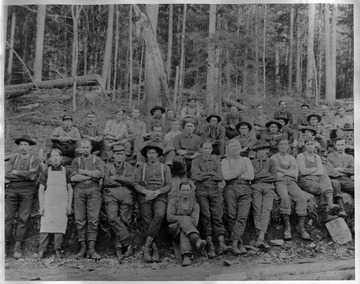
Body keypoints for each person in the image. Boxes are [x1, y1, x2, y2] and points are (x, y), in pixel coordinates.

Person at [191, 140, 231, 257]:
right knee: (206, 216)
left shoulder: (215, 160)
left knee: (217, 215)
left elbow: (219, 177)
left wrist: (206, 174)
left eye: (209, 148)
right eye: (206, 148)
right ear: (201, 149)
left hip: (214, 190)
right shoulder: (196, 161)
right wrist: (210, 173)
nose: (208, 150)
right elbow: (196, 176)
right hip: (201, 190)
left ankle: (221, 243)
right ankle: (210, 246)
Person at [133, 143, 172, 263]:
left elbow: (169, 185)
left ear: (158, 155)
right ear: (146, 155)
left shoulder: (165, 167)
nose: (151, 155)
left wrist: (158, 192)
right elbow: (136, 184)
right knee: (147, 221)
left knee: (160, 215)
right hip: (145, 196)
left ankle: (147, 245)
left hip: (159, 195)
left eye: (153, 153)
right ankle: (153, 250)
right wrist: (145, 191)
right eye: (149, 153)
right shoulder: (142, 168)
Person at [5, 135, 41, 259]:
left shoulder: (34, 159)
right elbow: (8, 175)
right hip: (12, 189)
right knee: (7, 218)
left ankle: (18, 246)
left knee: (23, 218)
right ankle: (4, 246)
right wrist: (24, 175)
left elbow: (33, 176)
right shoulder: (13, 159)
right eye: (21, 145)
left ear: (30, 147)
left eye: (26, 145)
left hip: (27, 190)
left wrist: (17, 172)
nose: (23, 147)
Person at [70, 139, 105, 259]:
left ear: (91, 148)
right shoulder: (76, 161)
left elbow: (100, 174)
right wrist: (90, 175)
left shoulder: (97, 160)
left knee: (93, 219)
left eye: (87, 147)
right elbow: (73, 178)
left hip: (94, 190)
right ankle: (83, 248)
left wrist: (83, 172)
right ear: (79, 149)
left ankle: (92, 249)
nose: (85, 149)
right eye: (82, 147)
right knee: (80, 219)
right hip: (79, 190)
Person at [270, 139, 310, 240]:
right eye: (281, 144)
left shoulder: (291, 158)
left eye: (285, 144)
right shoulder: (273, 158)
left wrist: (282, 171)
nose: (283, 146)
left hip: (291, 182)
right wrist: (287, 172)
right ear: (278, 146)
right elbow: (275, 175)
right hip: (280, 182)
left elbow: (295, 174)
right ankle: (287, 227)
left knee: (301, 198)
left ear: (288, 146)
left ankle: (301, 227)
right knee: (285, 198)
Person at [38, 149, 73, 259]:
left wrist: (69, 205)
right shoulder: (46, 171)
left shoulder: (66, 171)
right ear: (50, 159)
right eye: (53, 156)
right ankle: (42, 250)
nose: (55, 158)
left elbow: (70, 189)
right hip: (49, 201)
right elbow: (41, 189)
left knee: (60, 224)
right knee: (45, 224)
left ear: (61, 158)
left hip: (62, 202)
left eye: (57, 156)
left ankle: (58, 249)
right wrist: (41, 206)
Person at [221, 139, 254, 255]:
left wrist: (234, 173)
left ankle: (234, 243)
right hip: (230, 188)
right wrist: (240, 172)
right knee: (231, 215)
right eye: (231, 147)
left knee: (242, 216)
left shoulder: (246, 160)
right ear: (228, 149)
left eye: (236, 146)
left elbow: (251, 175)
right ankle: (239, 243)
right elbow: (226, 176)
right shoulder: (225, 161)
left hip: (245, 189)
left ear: (240, 148)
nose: (234, 149)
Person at [103, 145, 135, 262]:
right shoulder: (107, 166)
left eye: (121, 154)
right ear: (113, 155)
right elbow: (105, 181)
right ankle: (129, 242)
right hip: (111, 194)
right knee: (112, 218)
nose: (119, 156)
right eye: (117, 154)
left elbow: (131, 181)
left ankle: (119, 249)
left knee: (124, 220)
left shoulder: (130, 167)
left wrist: (116, 178)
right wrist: (122, 182)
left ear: (124, 156)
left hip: (126, 195)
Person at [296, 137, 340, 222]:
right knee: (321, 188)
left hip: (317, 177)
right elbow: (303, 171)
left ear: (315, 145)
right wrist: (315, 169)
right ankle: (325, 214)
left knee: (326, 178)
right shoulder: (301, 156)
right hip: (305, 180)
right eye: (308, 144)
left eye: (312, 144)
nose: (310, 146)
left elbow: (320, 171)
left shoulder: (317, 157)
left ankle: (330, 204)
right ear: (305, 145)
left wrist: (312, 171)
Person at [167, 180, 207, 266]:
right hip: (173, 231)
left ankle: (187, 257)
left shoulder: (195, 205)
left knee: (184, 229)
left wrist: (182, 220)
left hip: (187, 231)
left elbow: (195, 222)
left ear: (191, 191)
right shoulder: (173, 201)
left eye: (187, 190)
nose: (185, 192)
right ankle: (196, 240)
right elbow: (169, 218)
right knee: (185, 221)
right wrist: (184, 218)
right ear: (180, 191)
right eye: (183, 190)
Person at [250, 141, 277, 248]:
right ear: (256, 152)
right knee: (257, 209)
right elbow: (252, 177)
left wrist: (260, 175)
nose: (261, 152)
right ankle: (259, 236)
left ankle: (261, 237)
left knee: (266, 209)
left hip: (268, 187)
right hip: (256, 187)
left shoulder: (271, 162)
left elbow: (275, 177)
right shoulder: (252, 162)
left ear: (267, 151)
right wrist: (266, 175)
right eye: (259, 150)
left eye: (263, 150)